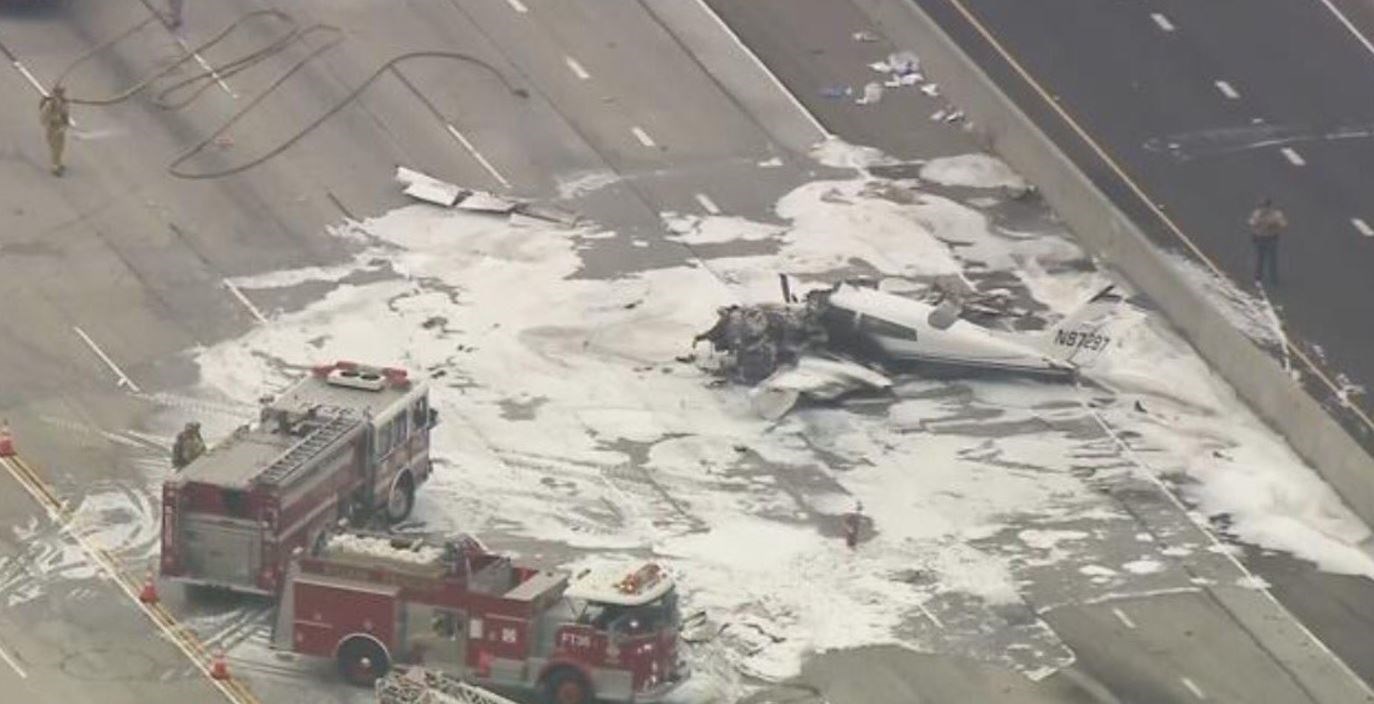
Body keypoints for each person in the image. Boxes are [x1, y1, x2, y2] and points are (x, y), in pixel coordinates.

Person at [1248, 197, 1288, 287]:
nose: (1265, 208)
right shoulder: (1258, 214)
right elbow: (1252, 223)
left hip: (1271, 239)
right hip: (1260, 238)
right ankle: (1258, 278)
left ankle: (1273, 279)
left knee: (1272, 260)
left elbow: (1283, 224)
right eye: (1263, 206)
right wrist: (1257, 227)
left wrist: (1274, 225)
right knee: (1260, 259)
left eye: (1266, 206)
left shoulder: (1276, 215)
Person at [38, 85, 70, 177]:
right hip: (52, 128)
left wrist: (65, 124)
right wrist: (49, 124)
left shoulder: (64, 102)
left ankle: (59, 163)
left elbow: (65, 114)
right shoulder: (50, 104)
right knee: (55, 148)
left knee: (61, 147)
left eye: (62, 92)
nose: (62, 94)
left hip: (60, 127)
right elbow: (44, 116)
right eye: (60, 92)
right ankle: (55, 167)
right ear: (56, 93)